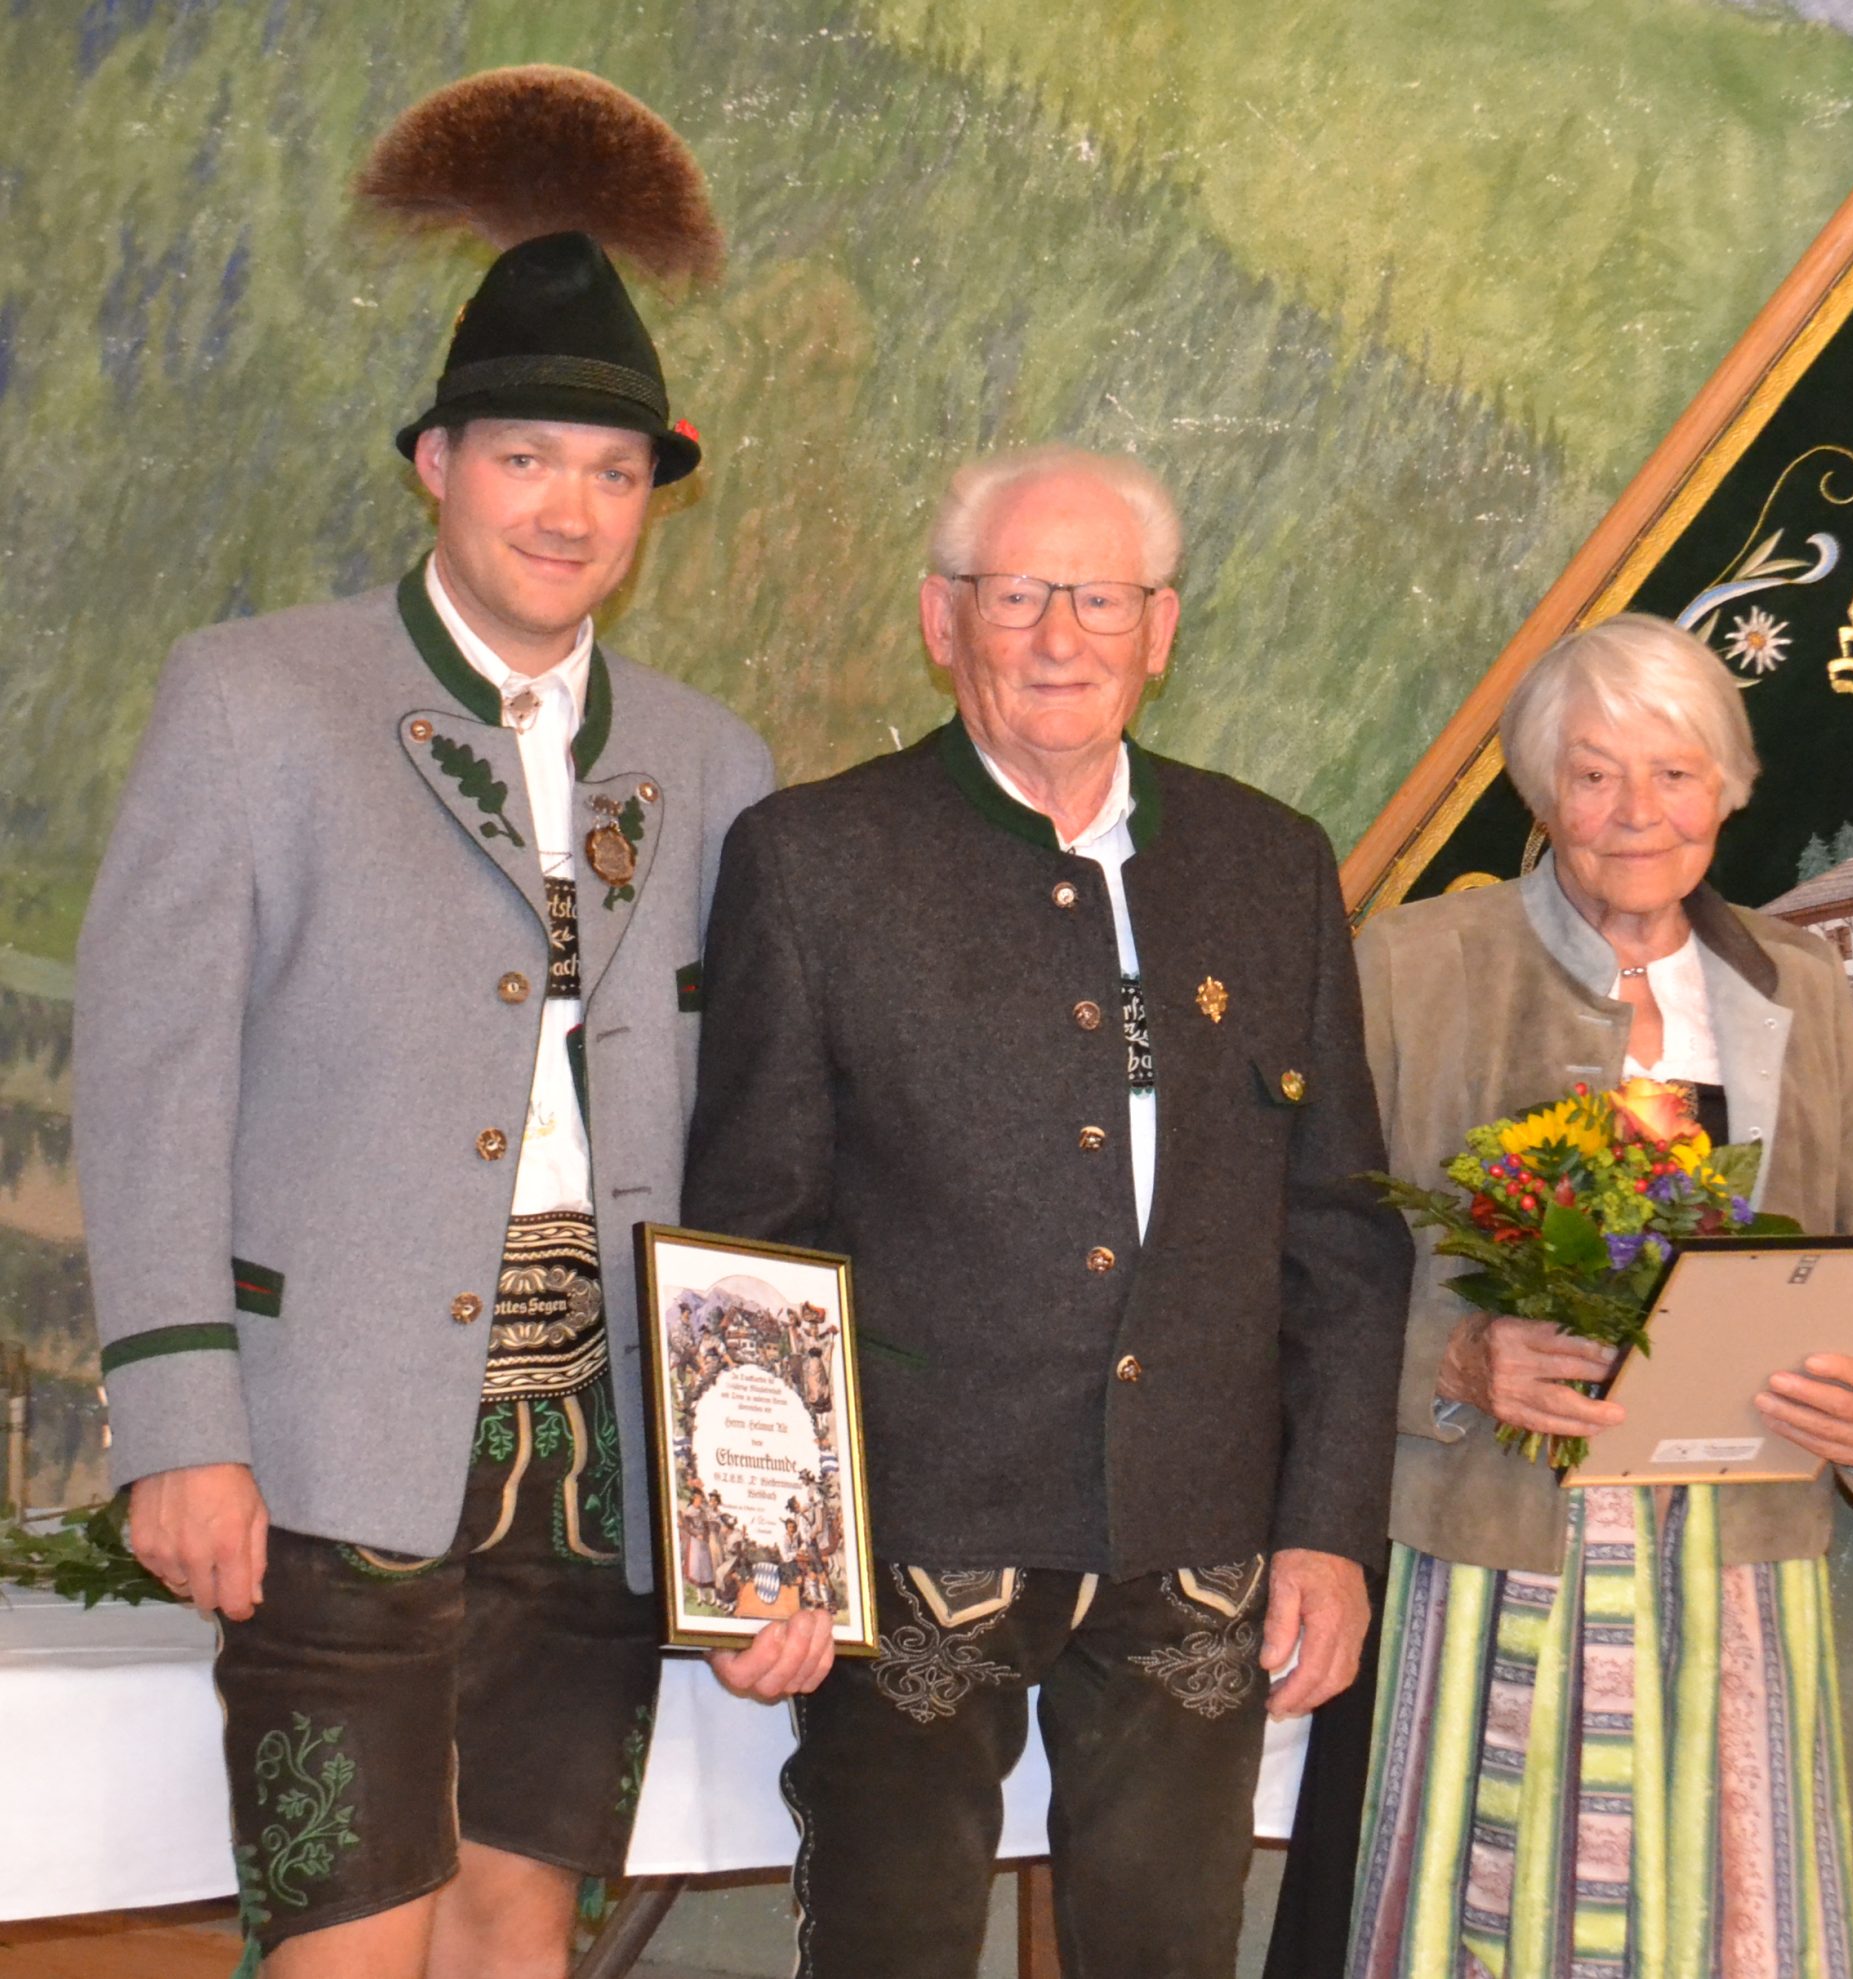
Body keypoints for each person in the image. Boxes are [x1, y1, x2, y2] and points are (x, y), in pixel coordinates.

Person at [72, 70, 821, 1979]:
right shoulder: (252, 699)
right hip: (331, 1438)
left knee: (516, 1935)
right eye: (527, 459)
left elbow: (754, 1132)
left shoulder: (711, 758)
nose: (570, 507)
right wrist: (180, 1422)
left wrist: (769, 1512)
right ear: (436, 464)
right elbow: (153, 1079)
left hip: (601, 1453)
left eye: (614, 472)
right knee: (347, 1941)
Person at [682, 443, 1409, 1978]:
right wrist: (762, 1555)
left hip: (1198, 1534)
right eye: (1017, 596)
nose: (1059, 636)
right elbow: (754, 1233)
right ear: (942, 619)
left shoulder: (1272, 863)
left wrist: (1330, 1528)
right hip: (913, 1529)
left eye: (1099, 598)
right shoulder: (814, 859)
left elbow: (1340, 1235)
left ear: (1162, 627)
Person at [1331, 612, 1853, 1976]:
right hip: (1496, 1552)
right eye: (1594, 774)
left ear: (1728, 787)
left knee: (1724, 1923)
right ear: (1543, 795)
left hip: (1740, 1574)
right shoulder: (1414, 965)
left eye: (1674, 771)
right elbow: (1310, 1265)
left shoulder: (1801, 985)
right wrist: (1451, 1360)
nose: (1637, 811)